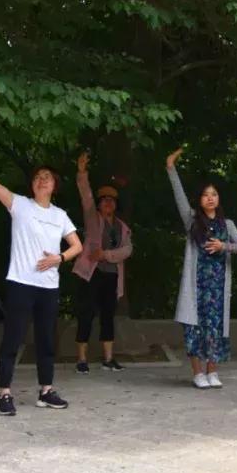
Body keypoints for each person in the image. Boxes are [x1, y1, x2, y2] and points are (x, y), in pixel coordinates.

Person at [0, 145, 82, 416]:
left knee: (46, 341)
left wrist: (59, 259)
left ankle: (46, 391)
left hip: (48, 287)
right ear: (32, 184)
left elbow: (77, 246)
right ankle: (4, 393)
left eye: (47, 177)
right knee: (12, 339)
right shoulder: (20, 205)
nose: (42, 180)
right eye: (38, 177)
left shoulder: (60, 215)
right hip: (20, 283)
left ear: (54, 186)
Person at [167, 148, 237, 389]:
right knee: (194, 329)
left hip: (218, 289)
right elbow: (179, 197)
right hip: (196, 288)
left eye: (214, 194)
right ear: (199, 200)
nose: (210, 198)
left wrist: (225, 246)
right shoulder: (192, 221)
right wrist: (171, 168)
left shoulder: (228, 224)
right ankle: (197, 373)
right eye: (205, 195)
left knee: (215, 329)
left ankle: (212, 371)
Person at [73, 153, 133, 374]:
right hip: (90, 273)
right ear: (99, 204)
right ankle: (82, 359)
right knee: (86, 313)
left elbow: (127, 250)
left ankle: (108, 358)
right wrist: (82, 172)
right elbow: (86, 196)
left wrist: (106, 255)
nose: (108, 203)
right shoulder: (92, 218)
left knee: (108, 315)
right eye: (104, 200)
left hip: (111, 275)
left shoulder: (122, 227)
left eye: (111, 200)